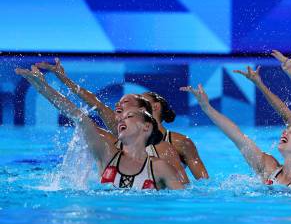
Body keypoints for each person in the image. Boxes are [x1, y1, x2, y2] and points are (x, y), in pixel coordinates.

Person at [16, 66, 184, 190]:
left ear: (146, 126)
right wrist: (42, 87)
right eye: (121, 115)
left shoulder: (161, 165)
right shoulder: (107, 151)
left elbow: (185, 201)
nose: (119, 118)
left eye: (129, 114)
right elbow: (79, 116)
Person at [181, 84, 291, 191]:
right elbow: (238, 138)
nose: (285, 133)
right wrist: (207, 107)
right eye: (286, 130)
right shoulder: (269, 168)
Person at [141, 92, 209, 179]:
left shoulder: (181, 142)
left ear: (155, 106)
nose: (135, 106)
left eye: (141, 102)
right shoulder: (129, 140)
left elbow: (204, 182)